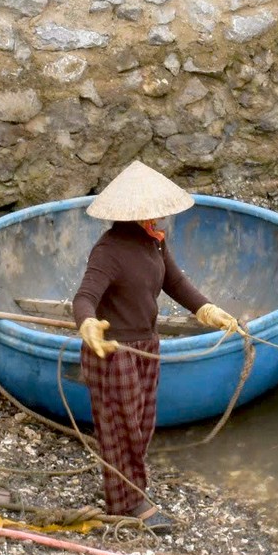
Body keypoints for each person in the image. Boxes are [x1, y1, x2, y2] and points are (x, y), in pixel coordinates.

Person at [71, 162, 240, 534]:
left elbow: (176, 283)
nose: (162, 214)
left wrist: (207, 310)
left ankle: (134, 486)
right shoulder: (109, 250)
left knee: (143, 422)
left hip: (146, 346)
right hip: (113, 352)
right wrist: (88, 325)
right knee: (120, 428)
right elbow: (84, 297)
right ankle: (127, 503)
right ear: (136, 212)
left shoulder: (154, 241)